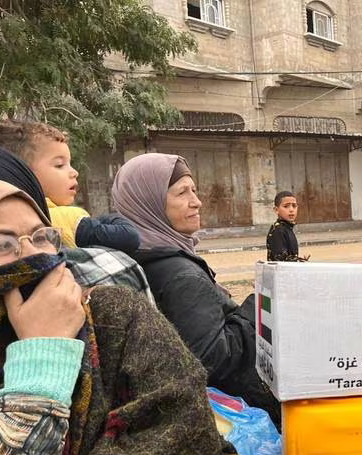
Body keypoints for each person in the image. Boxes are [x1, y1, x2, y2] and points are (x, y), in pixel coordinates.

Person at [0, 146, 338, 455]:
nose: (32, 257)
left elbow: (185, 431)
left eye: (41, 237)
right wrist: (43, 358)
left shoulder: (111, 313)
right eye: (3, 244)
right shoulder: (165, 271)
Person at [111, 152, 281, 426]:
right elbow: (214, 361)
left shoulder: (141, 256)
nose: (196, 201)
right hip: (231, 415)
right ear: (149, 204)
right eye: (182, 193)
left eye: (194, 190)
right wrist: (259, 304)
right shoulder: (180, 275)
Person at [0, 120, 139, 253]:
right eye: (59, 165)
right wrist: (108, 218)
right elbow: (129, 237)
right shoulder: (68, 217)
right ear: (24, 173)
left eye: (70, 164)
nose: (74, 172)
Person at [267, 190, 308, 261]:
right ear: (276, 210)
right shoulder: (277, 230)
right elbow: (281, 259)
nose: (291, 210)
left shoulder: (287, 227)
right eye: (286, 206)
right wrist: (299, 261)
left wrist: (299, 260)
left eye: (294, 206)